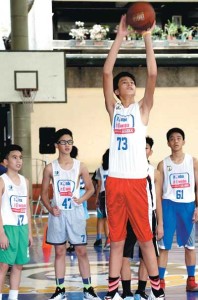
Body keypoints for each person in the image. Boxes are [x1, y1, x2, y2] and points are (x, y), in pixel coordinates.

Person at [103, 14, 165, 300]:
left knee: (145, 240)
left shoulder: (141, 110)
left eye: (131, 82)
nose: (129, 84)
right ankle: (114, 293)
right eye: (124, 82)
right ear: (117, 91)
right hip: (115, 182)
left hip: (138, 183)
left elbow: (152, 74)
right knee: (116, 242)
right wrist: (120, 35)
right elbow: (106, 72)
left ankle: (157, 291)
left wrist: (147, 36)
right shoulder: (115, 111)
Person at [41, 128, 101, 300]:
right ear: (56, 145)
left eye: (70, 142)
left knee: (81, 251)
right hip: (57, 214)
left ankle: (88, 288)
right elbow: (44, 193)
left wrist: (81, 200)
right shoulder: (49, 168)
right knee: (59, 251)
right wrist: (50, 209)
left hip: (75, 214)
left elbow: (90, 189)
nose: (67, 145)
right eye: (63, 142)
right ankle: (60, 289)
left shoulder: (80, 165)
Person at [120, 137, 164, 300]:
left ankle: (141, 290)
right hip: (128, 216)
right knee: (125, 254)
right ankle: (126, 292)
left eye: (145, 148)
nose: (141, 151)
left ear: (150, 151)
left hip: (148, 215)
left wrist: (160, 224)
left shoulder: (155, 172)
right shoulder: (126, 169)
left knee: (148, 254)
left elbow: (158, 199)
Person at [157, 128, 198, 292]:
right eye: (172, 138)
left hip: (187, 206)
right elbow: (158, 193)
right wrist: (159, 218)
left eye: (178, 138)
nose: (175, 141)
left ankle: (191, 280)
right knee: (164, 247)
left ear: (184, 141)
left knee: (190, 246)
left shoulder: (193, 161)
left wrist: (197, 207)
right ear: (168, 143)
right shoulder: (163, 164)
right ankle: (160, 282)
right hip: (169, 206)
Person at [0, 144, 33, 300]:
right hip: (8, 228)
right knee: (3, 266)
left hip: (22, 228)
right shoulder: (2, 181)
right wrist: (1, 233)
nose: (19, 160)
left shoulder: (25, 181)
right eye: (14, 157)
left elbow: (27, 207)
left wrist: (30, 233)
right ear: (5, 161)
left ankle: (13, 297)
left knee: (19, 265)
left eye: (20, 157)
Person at [94, 149, 110, 250]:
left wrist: (96, 197)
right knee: (107, 219)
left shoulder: (100, 169)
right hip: (111, 195)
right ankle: (108, 239)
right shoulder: (114, 168)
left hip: (102, 195)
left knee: (101, 217)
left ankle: (99, 238)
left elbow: (99, 185)